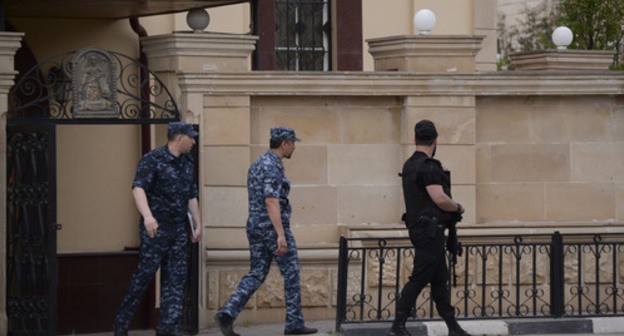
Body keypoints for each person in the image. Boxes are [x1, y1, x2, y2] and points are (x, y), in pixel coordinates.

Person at [214, 127, 318, 336]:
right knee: (291, 271)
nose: (294, 147)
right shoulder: (271, 166)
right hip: (271, 227)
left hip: (255, 225)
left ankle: (227, 313)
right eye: (293, 143)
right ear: (284, 144)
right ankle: (294, 323)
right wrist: (280, 234)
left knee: (257, 272)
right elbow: (271, 200)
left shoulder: (259, 163)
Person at [114, 122, 202, 336]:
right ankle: (121, 324)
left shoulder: (188, 162)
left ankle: (167, 328)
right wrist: (147, 217)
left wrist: (198, 224)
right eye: (191, 137)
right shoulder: (152, 159)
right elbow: (138, 188)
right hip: (156, 229)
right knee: (144, 277)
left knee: (176, 280)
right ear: (179, 137)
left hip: (179, 230)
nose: (194, 141)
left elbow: (191, 195)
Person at [387, 120, 471, 336]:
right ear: (435, 140)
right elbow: (440, 198)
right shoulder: (429, 166)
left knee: (439, 279)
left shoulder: (409, 165)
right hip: (429, 232)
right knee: (420, 278)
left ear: (415, 139)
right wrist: (458, 207)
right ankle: (397, 325)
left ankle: (454, 328)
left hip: (421, 229)